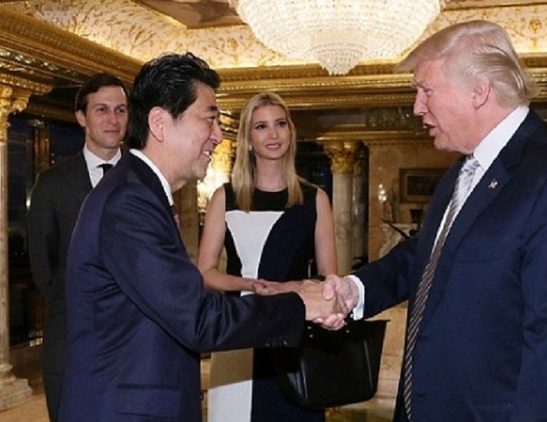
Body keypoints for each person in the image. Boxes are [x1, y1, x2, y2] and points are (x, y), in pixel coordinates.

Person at [323, 20, 547, 422]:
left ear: (479, 91)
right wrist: (356, 290)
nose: (417, 107)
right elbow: (428, 255)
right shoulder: (464, 171)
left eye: (426, 90)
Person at [57, 52, 343, 422]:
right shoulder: (130, 202)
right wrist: (299, 304)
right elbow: (198, 319)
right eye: (209, 119)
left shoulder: (139, 192)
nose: (218, 136)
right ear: (160, 124)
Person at [197, 92, 337, 422]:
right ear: (248, 138)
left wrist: (292, 288)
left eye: (280, 124)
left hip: (294, 333)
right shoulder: (225, 197)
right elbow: (205, 272)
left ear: (291, 132)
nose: (273, 134)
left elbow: (330, 278)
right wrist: (248, 285)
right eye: (261, 126)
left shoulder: (315, 199)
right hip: (238, 330)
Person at [27, 72, 127, 422]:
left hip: (134, 341)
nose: (113, 119)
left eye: (120, 110)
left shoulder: (147, 180)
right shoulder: (52, 183)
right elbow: (42, 265)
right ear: (82, 117)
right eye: (102, 109)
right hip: (71, 338)